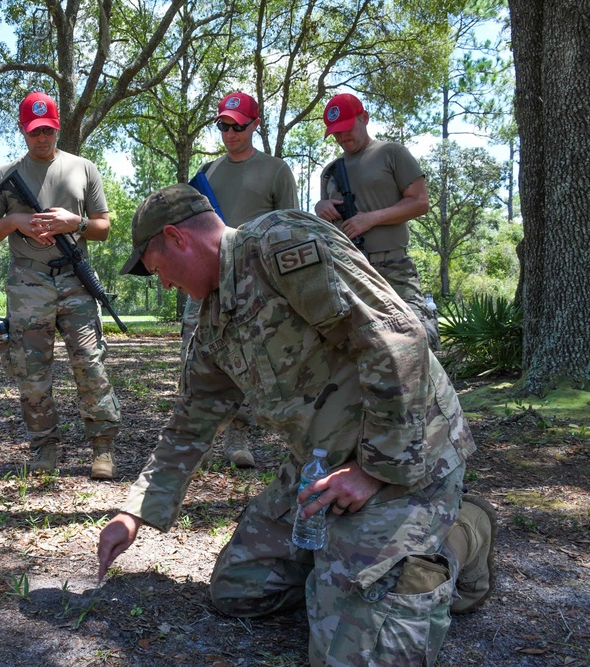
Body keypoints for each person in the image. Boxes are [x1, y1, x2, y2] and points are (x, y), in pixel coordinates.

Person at [97, 183, 497, 666]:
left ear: (176, 237)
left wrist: (374, 470)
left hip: (408, 456)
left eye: (159, 269)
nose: (163, 285)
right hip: (324, 467)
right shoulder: (214, 325)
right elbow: (189, 424)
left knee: (357, 658)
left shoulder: (279, 245)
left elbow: (397, 337)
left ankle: (461, 534)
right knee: (238, 590)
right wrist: (134, 513)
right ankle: (342, 557)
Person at [0, 91, 120, 480]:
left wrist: (77, 223)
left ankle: (102, 448)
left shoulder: (83, 168)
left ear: (57, 128)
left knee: (90, 364)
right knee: (32, 371)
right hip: (28, 282)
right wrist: (15, 223)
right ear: (23, 130)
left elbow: (104, 227)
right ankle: (44, 448)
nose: (43, 138)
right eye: (35, 131)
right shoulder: (3, 178)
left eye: (50, 130)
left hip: (75, 278)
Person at [186, 91, 299, 468]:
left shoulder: (276, 170)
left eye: (238, 126)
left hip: (254, 280)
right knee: (195, 354)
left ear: (255, 125)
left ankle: (238, 436)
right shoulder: (207, 174)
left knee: (250, 357)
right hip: (206, 277)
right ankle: (195, 439)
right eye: (223, 125)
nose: (230, 133)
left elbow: (288, 228)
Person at [314, 92, 441, 350]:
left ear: (364, 118)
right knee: (360, 349)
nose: (342, 137)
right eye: (336, 133)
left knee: (420, 337)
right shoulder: (331, 171)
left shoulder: (391, 153)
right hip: (349, 271)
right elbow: (327, 224)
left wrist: (370, 219)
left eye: (347, 128)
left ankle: (435, 391)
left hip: (393, 266)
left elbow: (420, 202)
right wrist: (321, 207)